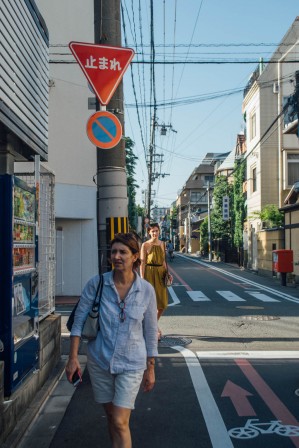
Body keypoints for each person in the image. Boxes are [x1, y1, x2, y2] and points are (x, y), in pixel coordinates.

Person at [65, 233, 158, 448]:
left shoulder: (146, 291)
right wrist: (73, 358)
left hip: (132, 362)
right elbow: (78, 322)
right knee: (113, 418)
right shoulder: (96, 284)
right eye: (114, 252)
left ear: (135, 256)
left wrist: (150, 368)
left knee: (119, 420)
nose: (117, 256)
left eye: (123, 252)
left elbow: (151, 332)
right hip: (100, 361)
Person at [140, 223, 172, 340]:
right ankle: (154, 329)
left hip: (160, 274)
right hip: (149, 273)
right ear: (149, 232)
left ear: (159, 232)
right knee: (150, 304)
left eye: (156, 231)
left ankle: (152, 325)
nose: (155, 233)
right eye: (153, 231)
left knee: (162, 304)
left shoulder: (163, 244)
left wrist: (168, 273)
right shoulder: (145, 245)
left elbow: (163, 261)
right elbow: (142, 263)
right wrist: (142, 279)